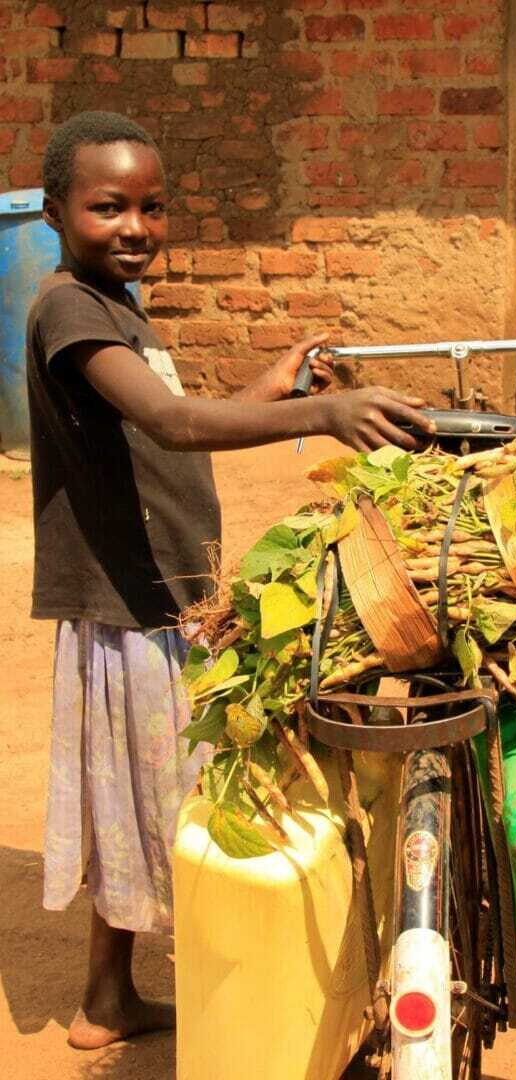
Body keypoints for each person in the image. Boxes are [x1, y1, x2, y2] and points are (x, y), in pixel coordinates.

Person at [27, 110, 434, 1051]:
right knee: (177, 799)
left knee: (137, 794)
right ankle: (225, 1004)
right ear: (53, 212)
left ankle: (107, 997)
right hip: (130, 604)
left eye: (153, 206)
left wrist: (272, 389)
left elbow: (165, 430)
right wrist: (324, 415)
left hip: (162, 593)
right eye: (108, 207)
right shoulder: (70, 310)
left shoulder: (115, 304)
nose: (136, 227)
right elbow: (172, 423)